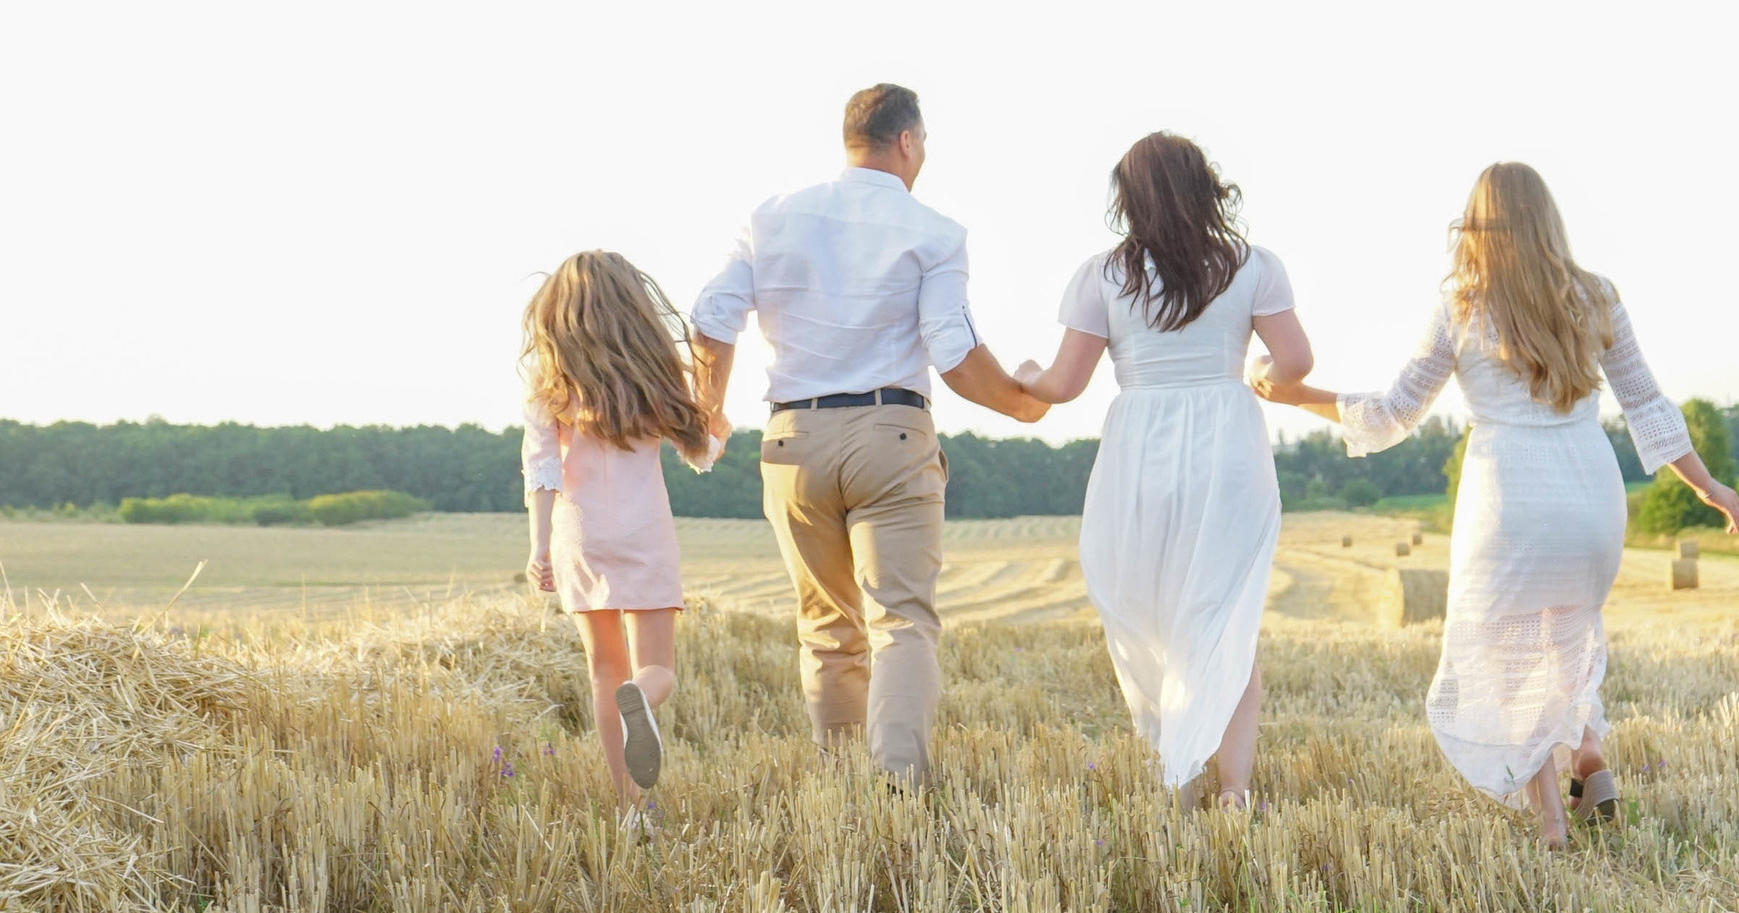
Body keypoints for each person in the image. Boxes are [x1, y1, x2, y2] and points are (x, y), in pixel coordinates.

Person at [1253, 162, 1739, 848]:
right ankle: (1591, 756)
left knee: (1511, 655)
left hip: (1511, 499)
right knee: (1567, 633)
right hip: (1590, 494)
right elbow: (1648, 406)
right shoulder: (1597, 297)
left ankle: (1550, 821)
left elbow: (1394, 411)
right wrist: (1708, 485)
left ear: (1478, 224)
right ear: (1548, 219)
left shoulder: (1464, 305)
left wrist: (1296, 396)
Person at [690, 84, 1045, 785]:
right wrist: (1020, 405)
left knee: (826, 626)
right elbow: (952, 348)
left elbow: (711, 315)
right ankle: (895, 788)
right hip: (892, 434)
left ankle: (843, 791)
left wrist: (708, 412)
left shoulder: (770, 217)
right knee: (902, 623)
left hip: (793, 439)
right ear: (908, 142)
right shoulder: (935, 232)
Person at [1012, 133, 1313, 809]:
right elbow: (1297, 361)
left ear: (1129, 198)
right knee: (1227, 617)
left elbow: (1062, 383)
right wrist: (1259, 372)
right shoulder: (1253, 265)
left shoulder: (1104, 276)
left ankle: (1173, 771)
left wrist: (1027, 374)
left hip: (1140, 451)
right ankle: (1233, 789)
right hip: (1228, 446)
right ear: (1208, 187)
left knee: (1152, 612)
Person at [519, 250, 719, 827]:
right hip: (643, 531)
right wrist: (719, 430)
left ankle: (628, 807)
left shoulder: (550, 385)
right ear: (633, 310)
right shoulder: (653, 378)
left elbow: (541, 469)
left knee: (604, 670)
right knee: (655, 670)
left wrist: (537, 546)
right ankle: (645, 704)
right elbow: (701, 455)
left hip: (577, 534)